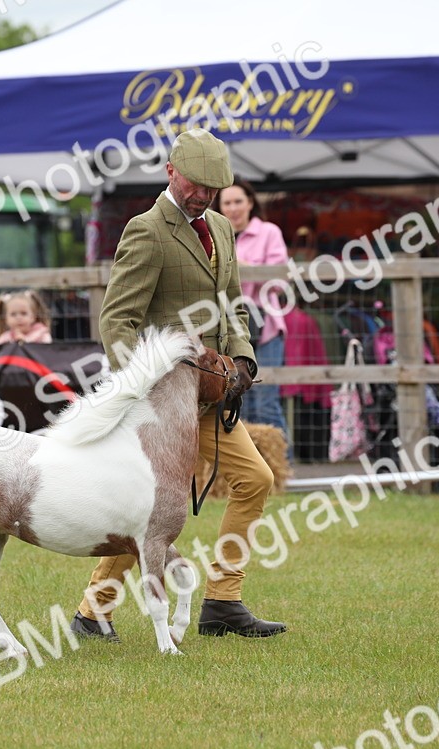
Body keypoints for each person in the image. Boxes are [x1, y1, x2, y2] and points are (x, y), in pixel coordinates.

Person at [70, 128, 286, 641]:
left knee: (256, 480)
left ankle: (223, 602)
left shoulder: (222, 227)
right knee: (152, 509)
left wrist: (244, 361)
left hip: (213, 398)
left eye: (213, 188)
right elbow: (117, 321)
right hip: (163, 402)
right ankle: (93, 611)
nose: (204, 196)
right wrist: (139, 388)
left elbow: (232, 302)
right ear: (171, 171)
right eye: (195, 185)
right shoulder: (146, 230)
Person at [215, 178, 290, 445]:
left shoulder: (269, 232)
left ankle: (282, 472)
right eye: (227, 203)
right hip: (227, 331)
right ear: (219, 207)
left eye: (238, 201)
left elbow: (281, 283)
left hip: (265, 328)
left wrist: (242, 265)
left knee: (266, 402)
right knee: (235, 402)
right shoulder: (213, 235)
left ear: (250, 203)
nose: (233, 208)